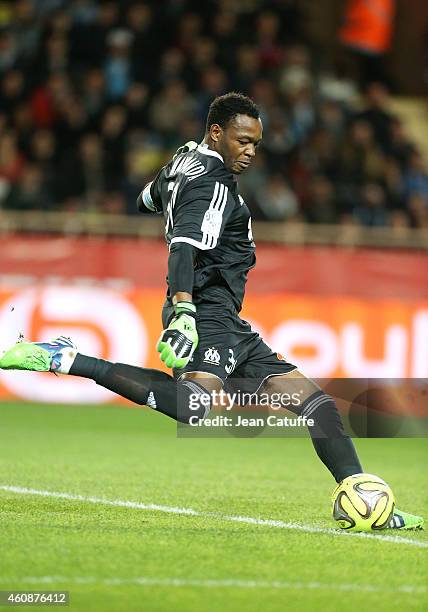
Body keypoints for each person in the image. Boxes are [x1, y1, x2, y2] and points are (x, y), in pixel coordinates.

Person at [0, 93, 422, 530]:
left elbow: (146, 198)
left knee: (316, 405)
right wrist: (184, 311)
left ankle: (367, 501)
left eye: (256, 144)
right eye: (242, 141)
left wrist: (172, 179)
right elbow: (184, 245)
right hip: (206, 310)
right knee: (193, 408)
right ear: (216, 133)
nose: (250, 152)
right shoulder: (214, 185)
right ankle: (65, 358)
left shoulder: (186, 163)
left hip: (228, 320)